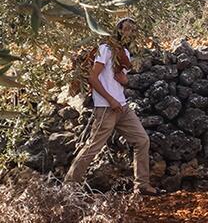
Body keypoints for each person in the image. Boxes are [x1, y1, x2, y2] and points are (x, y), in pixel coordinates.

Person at [64, 16, 156, 193]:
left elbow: (120, 79)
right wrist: (111, 100)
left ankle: (142, 185)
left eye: (132, 30)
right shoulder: (105, 49)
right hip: (106, 107)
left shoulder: (125, 54)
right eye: (126, 29)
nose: (129, 33)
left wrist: (125, 81)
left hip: (122, 106)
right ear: (118, 30)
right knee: (93, 147)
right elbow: (92, 77)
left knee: (142, 140)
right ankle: (69, 186)